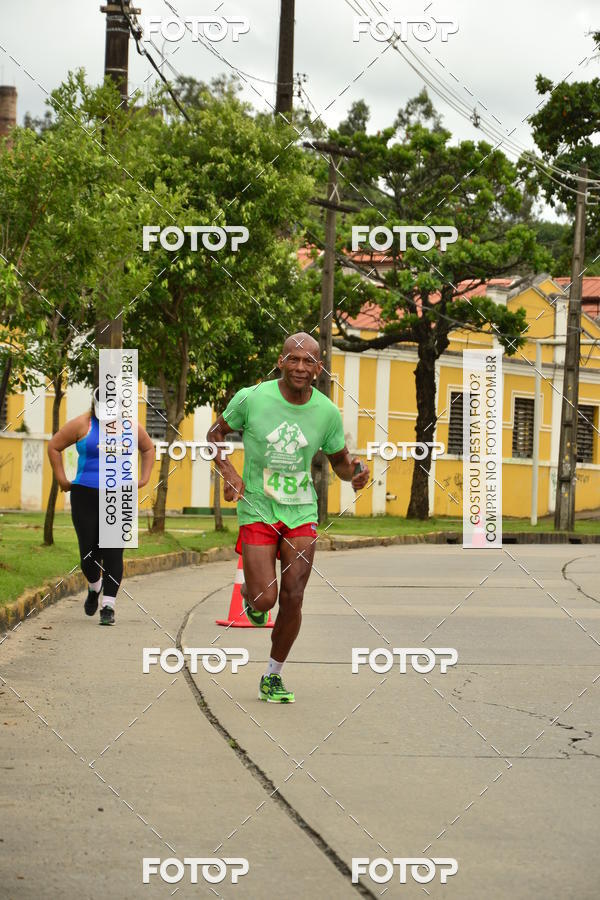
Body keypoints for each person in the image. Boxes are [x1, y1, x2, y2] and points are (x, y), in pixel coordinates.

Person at [208, 332, 370, 703]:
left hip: (301, 509)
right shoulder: (251, 398)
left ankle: (273, 674)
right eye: (293, 359)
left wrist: (356, 471)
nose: (300, 367)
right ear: (280, 362)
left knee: (294, 595)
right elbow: (215, 433)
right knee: (267, 599)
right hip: (258, 508)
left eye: (308, 361)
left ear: (319, 369)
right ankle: (252, 595)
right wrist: (229, 471)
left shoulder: (326, 412)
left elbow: (340, 463)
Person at [47, 388, 155, 625]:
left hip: (118, 495)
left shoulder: (129, 426)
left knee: (113, 550)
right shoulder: (81, 424)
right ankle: (95, 587)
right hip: (85, 494)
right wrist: (62, 479)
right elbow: (54, 446)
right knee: (88, 553)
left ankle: (108, 606)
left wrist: (144, 478)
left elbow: (148, 448)